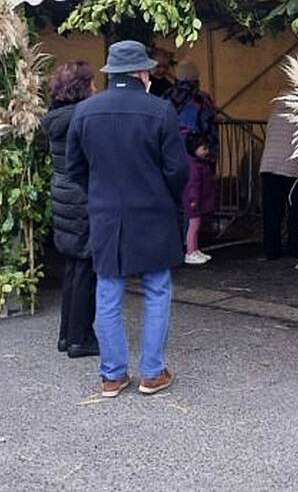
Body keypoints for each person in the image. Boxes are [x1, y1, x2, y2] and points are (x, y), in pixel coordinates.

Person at [66, 40, 189, 398]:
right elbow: (178, 170)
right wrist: (163, 194)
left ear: (111, 73)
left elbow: (74, 167)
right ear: (140, 73)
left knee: (108, 291)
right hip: (153, 213)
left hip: (105, 214)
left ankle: (112, 376)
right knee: (156, 289)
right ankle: (152, 373)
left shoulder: (85, 111)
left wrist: (100, 194)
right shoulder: (160, 110)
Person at [41, 61, 98, 359]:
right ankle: (81, 338)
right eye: (91, 83)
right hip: (82, 195)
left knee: (74, 266)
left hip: (63, 191)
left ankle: (67, 334)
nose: (95, 88)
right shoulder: (82, 117)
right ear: (82, 87)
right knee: (87, 266)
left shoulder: (54, 117)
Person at [168, 60, 218, 265]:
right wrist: (211, 154)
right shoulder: (202, 100)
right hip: (194, 158)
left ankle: (176, 245)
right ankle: (191, 248)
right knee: (193, 205)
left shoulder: (166, 98)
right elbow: (210, 128)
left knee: (175, 203)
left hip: (170, 157)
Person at [260, 94, 298, 259]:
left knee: (272, 211)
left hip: (269, 165)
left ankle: (271, 249)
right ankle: (295, 248)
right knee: (296, 210)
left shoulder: (275, 111)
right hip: (293, 167)